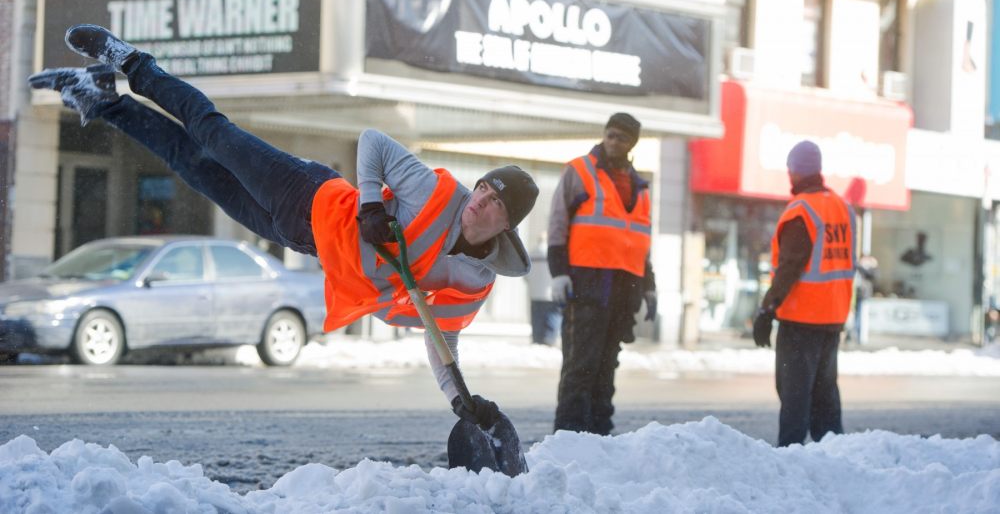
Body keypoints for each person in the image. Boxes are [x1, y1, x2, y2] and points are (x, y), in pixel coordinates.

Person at [30, 24, 539, 429]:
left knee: (192, 167)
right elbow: (373, 141)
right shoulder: (437, 192)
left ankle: (102, 100)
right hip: (305, 191)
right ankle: (131, 62)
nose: (480, 201)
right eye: (483, 189)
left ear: (507, 225)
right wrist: (370, 205)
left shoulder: (472, 284)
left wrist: (459, 399)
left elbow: (440, 339)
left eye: (494, 202)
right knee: (211, 132)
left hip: (296, 236)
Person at [547, 112, 657, 434]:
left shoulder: (640, 186)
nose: (613, 141)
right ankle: (569, 434)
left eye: (621, 137)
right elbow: (557, 223)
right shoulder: (580, 172)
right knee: (580, 365)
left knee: (607, 367)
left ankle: (599, 435)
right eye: (610, 134)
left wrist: (649, 287)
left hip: (624, 289)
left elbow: (640, 242)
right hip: (586, 284)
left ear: (632, 143)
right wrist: (558, 272)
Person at [752, 139, 856, 447]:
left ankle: (790, 456)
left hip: (801, 319)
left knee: (794, 395)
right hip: (832, 317)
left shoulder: (801, 211)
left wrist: (767, 309)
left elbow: (790, 266)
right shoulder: (842, 207)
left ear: (794, 171)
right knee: (825, 393)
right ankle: (833, 454)